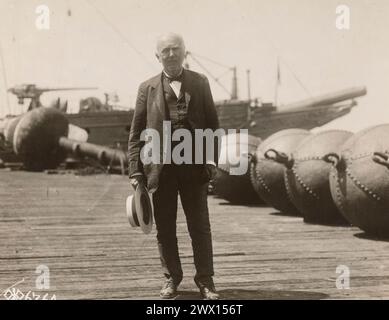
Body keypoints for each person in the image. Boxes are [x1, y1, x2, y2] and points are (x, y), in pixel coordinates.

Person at [127, 33, 220, 300]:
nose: (170, 54)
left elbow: (213, 125)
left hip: (194, 167)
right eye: (165, 50)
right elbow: (136, 134)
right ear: (157, 56)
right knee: (165, 227)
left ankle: (206, 280)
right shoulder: (147, 88)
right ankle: (171, 279)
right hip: (161, 170)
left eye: (175, 49)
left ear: (184, 52)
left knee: (200, 226)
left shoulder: (200, 83)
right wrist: (135, 171)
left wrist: (212, 159)